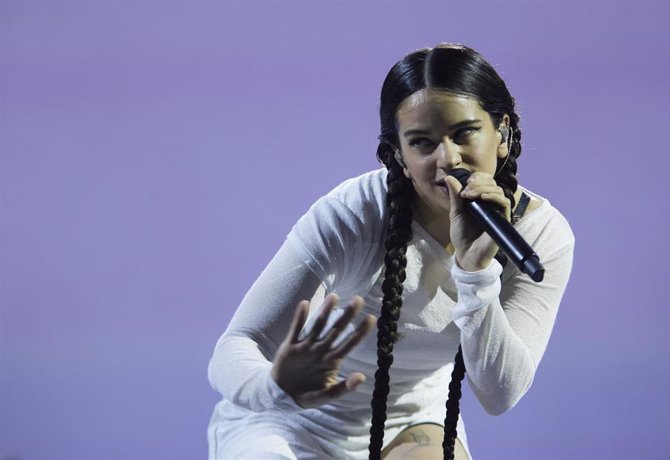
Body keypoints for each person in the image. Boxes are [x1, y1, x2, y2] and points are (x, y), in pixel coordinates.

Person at [207, 43, 575, 460]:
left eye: (464, 132)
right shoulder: (353, 216)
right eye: (422, 142)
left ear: (502, 132)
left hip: (410, 423)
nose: (447, 159)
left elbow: (498, 394)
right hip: (288, 423)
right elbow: (234, 346)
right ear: (398, 154)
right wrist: (276, 385)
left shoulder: (539, 233)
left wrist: (475, 272)